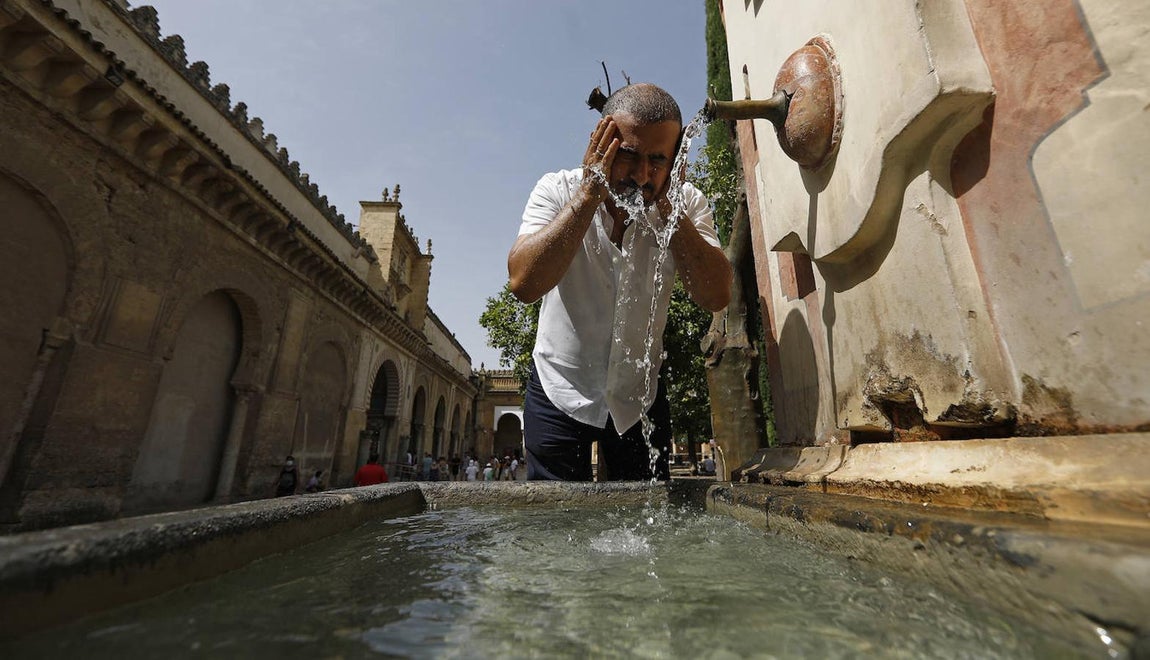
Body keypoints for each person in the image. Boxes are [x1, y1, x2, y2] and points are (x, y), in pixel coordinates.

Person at [507, 83, 731, 482]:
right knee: (554, 516)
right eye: (628, 155)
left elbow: (716, 295)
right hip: (559, 388)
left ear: (676, 158)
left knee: (646, 517)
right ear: (600, 143)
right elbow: (523, 283)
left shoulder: (687, 203)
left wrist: (670, 207)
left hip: (640, 396)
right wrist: (589, 194)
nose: (642, 175)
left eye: (658, 160)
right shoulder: (557, 190)